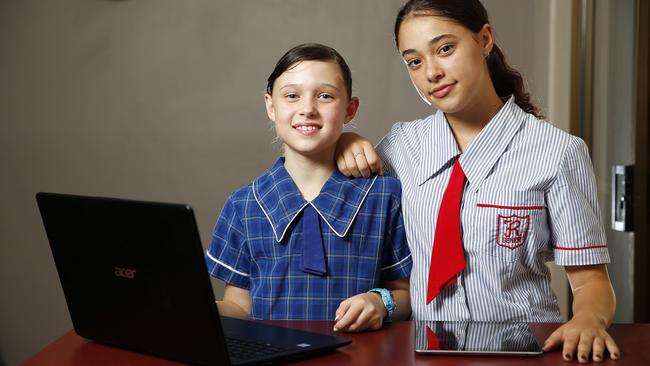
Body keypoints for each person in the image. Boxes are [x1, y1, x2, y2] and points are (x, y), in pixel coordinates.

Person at [334, 0, 619, 362]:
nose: (431, 72)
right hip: (424, 352)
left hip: (525, 350)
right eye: (415, 61)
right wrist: (345, 139)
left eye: (445, 49)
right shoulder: (400, 147)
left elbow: (590, 280)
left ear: (484, 39)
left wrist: (589, 319)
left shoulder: (558, 152)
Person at [205, 43, 412, 332]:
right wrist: (192, 309)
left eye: (325, 96)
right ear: (270, 106)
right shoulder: (244, 205)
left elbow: (406, 294)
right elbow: (240, 305)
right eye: (292, 96)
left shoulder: (383, 196)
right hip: (272, 355)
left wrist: (380, 302)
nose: (307, 109)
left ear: (349, 109)